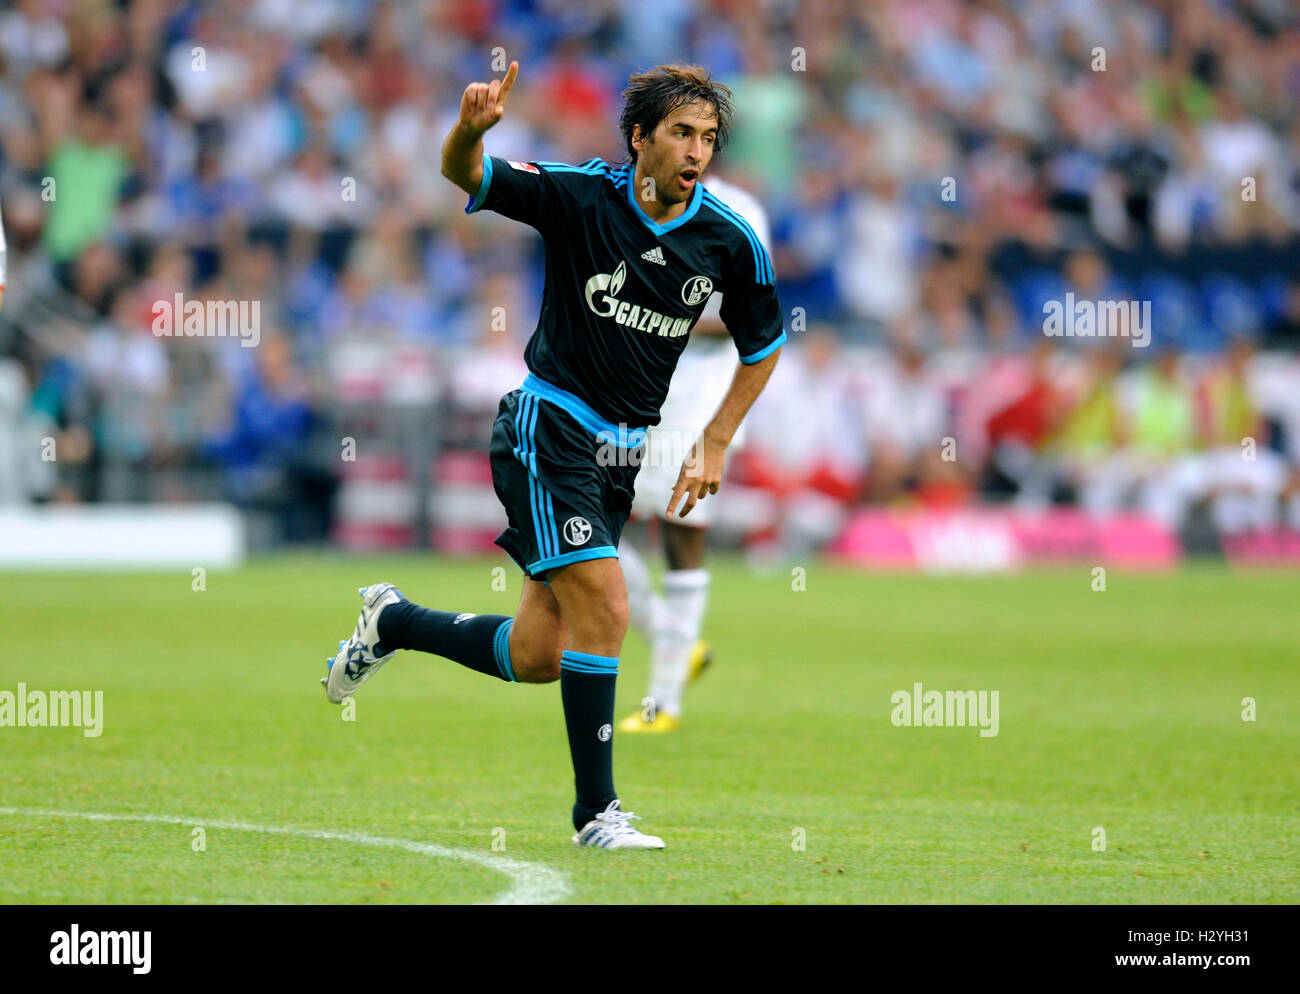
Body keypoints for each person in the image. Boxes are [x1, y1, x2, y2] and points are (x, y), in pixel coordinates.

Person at [320, 62, 785, 849]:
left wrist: (713, 440)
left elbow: (765, 345)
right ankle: (596, 814)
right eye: (681, 133)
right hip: (548, 427)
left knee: (540, 655)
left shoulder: (727, 240)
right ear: (640, 138)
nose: (696, 152)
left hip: (622, 453)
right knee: (607, 607)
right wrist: (470, 129)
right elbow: (463, 173)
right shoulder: (579, 195)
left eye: (708, 138)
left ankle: (392, 621)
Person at [616, 172, 771, 734]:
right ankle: (673, 641)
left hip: (700, 391)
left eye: (700, 133)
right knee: (583, 519)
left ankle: (664, 703)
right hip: (628, 382)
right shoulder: (627, 195)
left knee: (680, 529)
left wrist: (655, 317)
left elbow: (746, 318)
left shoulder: (739, 209)